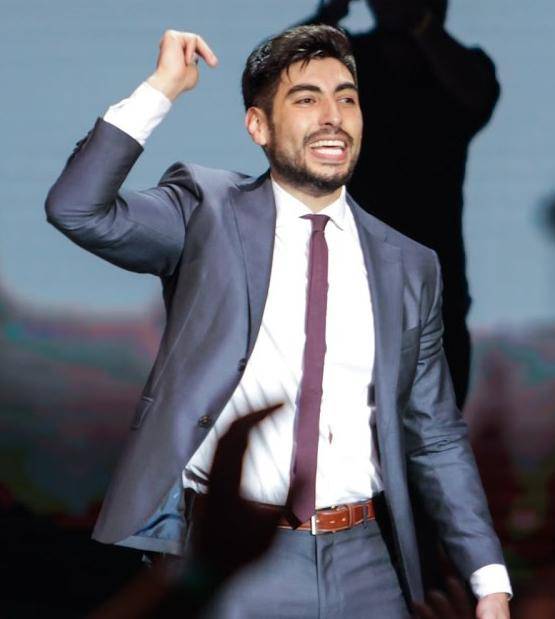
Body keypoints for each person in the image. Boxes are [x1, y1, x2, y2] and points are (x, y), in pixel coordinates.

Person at [46, 25, 511, 618]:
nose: (333, 116)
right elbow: (77, 207)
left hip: (366, 561)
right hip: (239, 556)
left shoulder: (410, 265)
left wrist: (489, 581)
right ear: (258, 126)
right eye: (306, 99)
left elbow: (437, 434)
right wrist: (162, 87)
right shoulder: (207, 211)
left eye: (346, 98)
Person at [305, 0, 501, 409]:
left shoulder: (453, 71)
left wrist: (419, 24)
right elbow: (276, 82)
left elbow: (475, 92)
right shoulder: (348, 67)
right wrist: (329, 16)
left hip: (431, 301)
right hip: (355, 294)